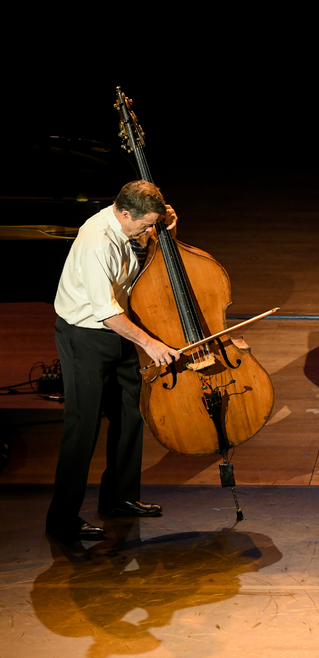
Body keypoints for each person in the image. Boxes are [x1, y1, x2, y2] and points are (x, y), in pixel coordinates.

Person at [46, 180, 181, 543]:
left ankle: (119, 497)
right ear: (124, 213)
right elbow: (105, 313)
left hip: (119, 330)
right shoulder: (96, 242)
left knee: (129, 412)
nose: (149, 230)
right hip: (85, 336)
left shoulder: (129, 228)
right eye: (145, 224)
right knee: (83, 427)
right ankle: (61, 518)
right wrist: (151, 343)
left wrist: (166, 230)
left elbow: (143, 263)